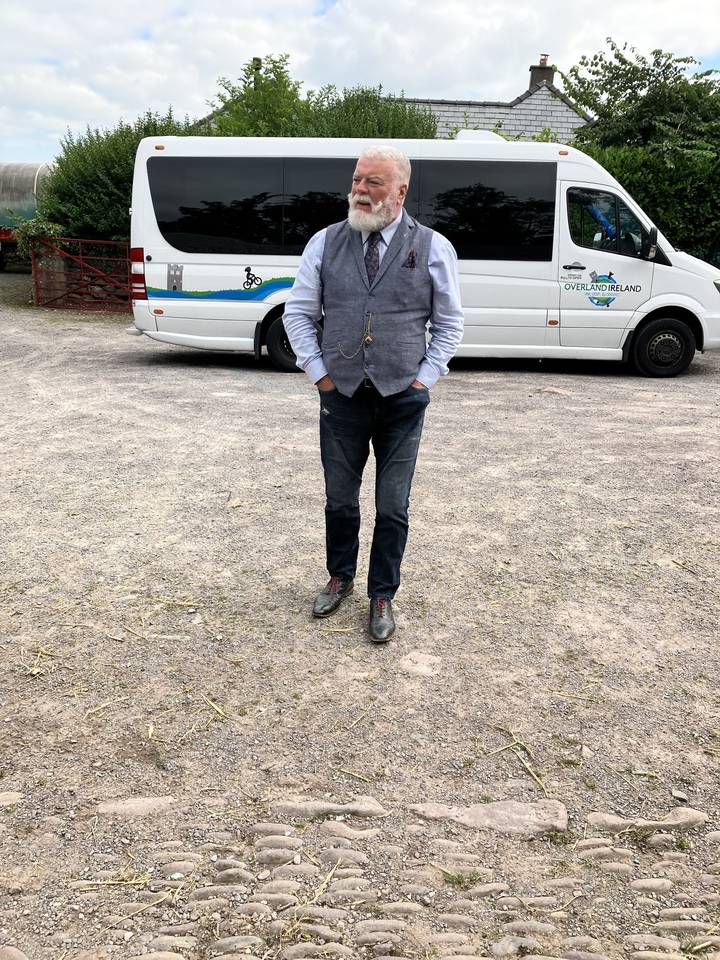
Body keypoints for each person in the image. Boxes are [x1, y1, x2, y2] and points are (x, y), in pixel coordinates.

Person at [283, 145, 464, 643]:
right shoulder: (324, 242)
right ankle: (339, 576)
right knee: (339, 499)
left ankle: (382, 594)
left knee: (393, 505)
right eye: (357, 180)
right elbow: (298, 313)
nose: (360, 191)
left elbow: (449, 323)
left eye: (373, 182)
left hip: (402, 399)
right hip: (340, 395)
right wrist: (320, 375)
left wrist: (424, 379)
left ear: (400, 191)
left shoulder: (433, 247)